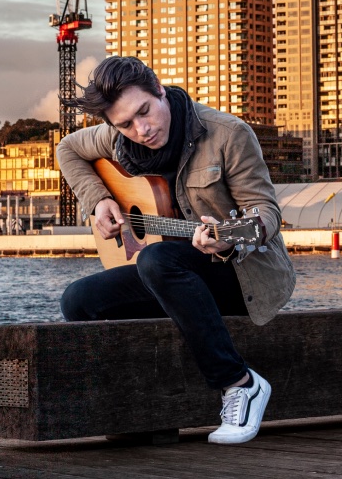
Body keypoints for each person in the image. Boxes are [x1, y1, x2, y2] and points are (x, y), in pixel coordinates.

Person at [56, 56, 295, 444]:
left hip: (241, 273)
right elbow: (68, 148)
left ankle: (239, 383)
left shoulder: (227, 134)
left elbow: (265, 214)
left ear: (160, 91)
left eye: (145, 111)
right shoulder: (117, 140)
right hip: (170, 272)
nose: (142, 129)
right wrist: (98, 201)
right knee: (80, 300)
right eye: (126, 124)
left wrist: (230, 236)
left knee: (157, 260)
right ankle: (138, 412)